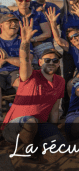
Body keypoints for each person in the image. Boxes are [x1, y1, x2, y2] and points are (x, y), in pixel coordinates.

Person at [1, 19, 67, 159]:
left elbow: (55, 110)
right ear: (40, 62)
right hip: (15, 127)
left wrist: (52, 129)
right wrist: (25, 41)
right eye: (47, 60)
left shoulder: (60, 81)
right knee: (30, 121)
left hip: (39, 126)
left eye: (55, 60)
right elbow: (24, 60)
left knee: (61, 147)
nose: (51, 63)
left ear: (58, 64)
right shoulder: (30, 75)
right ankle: (26, 150)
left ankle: (36, 148)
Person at [0, 14, 33, 118]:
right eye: (9, 22)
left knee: (21, 83)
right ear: (1, 25)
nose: (14, 24)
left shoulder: (23, 40)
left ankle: (22, 115)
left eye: (15, 22)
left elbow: (27, 62)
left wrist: (6, 59)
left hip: (17, 71)